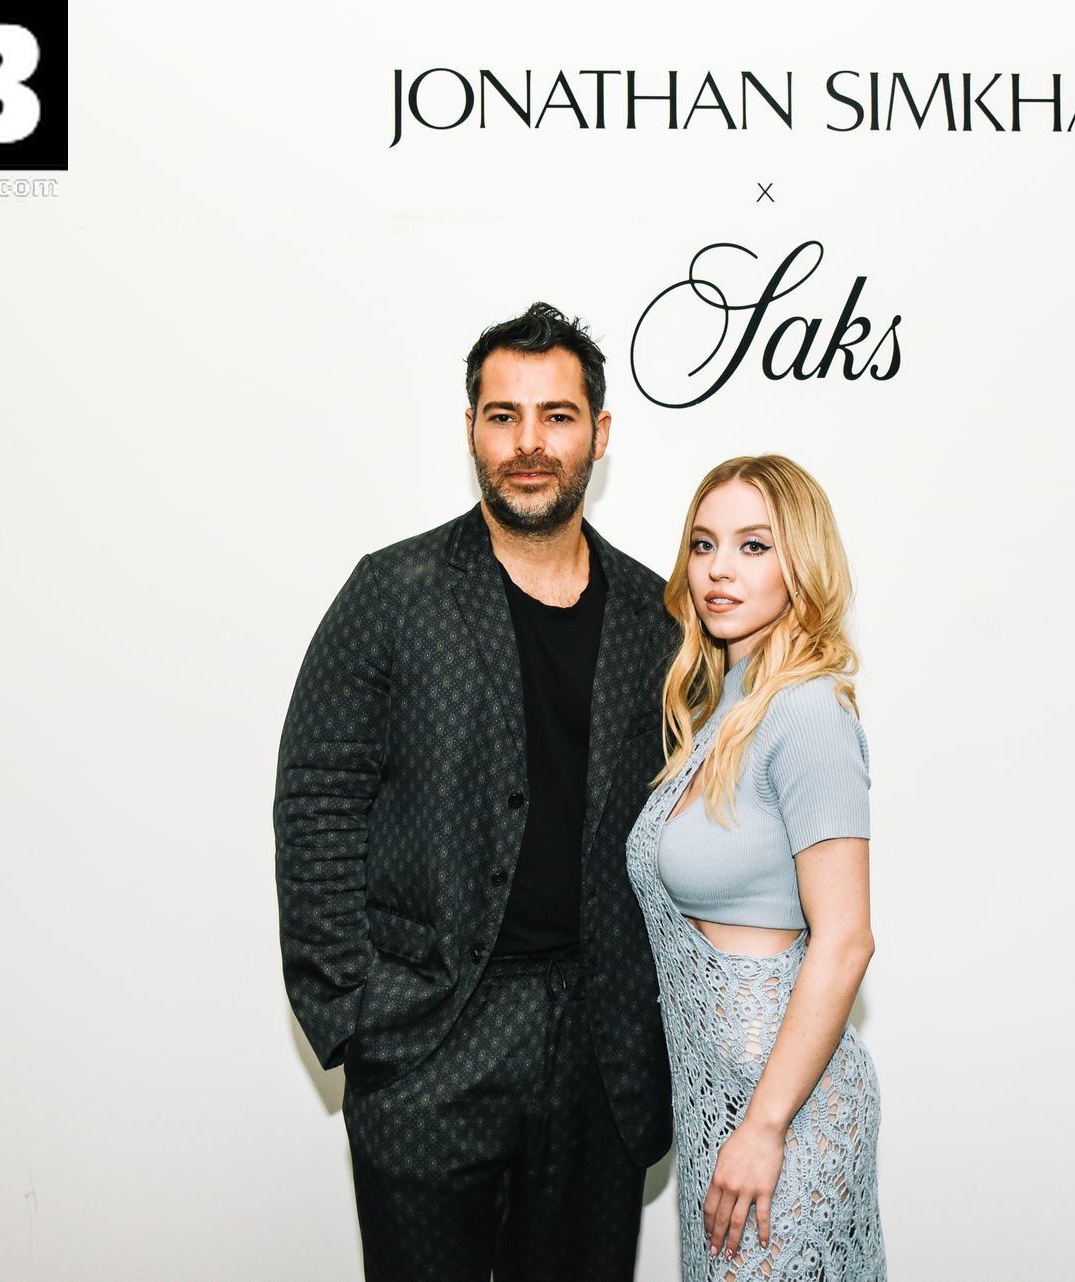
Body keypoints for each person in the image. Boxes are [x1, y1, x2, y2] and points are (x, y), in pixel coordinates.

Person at [274, 302, 677, 1282]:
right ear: (471, 432)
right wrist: (356, 1013)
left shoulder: (655, 616)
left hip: (599, 1051)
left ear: (600, 434)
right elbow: (318, 797)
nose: (529, 443)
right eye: (504, 416)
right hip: (430, 1044)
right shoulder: (394, 592)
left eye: (557, 416)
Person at [626, 455, 885, 1281]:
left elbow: (846, 940)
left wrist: (766, 1126)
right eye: (703, 544)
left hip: (785, 1115)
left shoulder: (807, 711)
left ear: (800, 561)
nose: (718, 569)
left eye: (752, 545)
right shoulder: (727, 707)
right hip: (720, 1105)